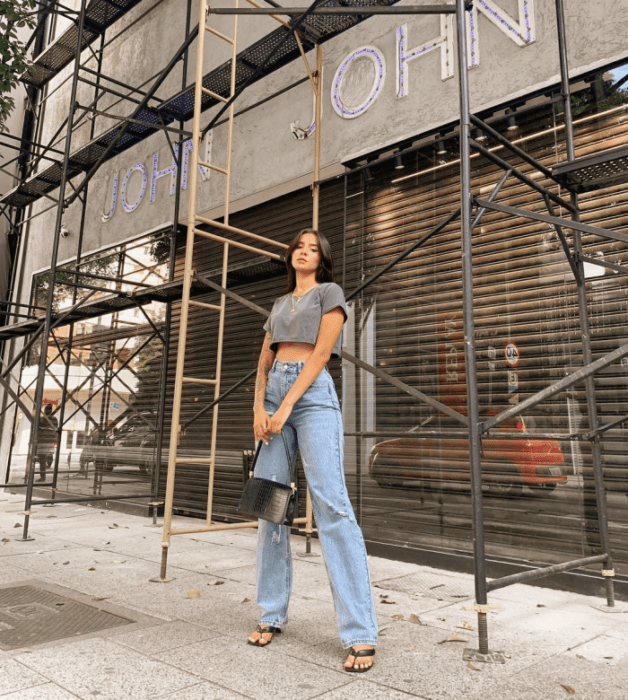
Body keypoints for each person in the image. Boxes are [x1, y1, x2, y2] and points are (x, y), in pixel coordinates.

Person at [248, 228, 378, 673]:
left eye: (312, 248)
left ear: (321, 259)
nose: (303, 251)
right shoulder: (280, 305)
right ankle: (270, 613)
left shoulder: (330, 293)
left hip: (314, 397)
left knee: (332, 505)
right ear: (291, 256)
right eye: (298, 246)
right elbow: (264, 359)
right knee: (270, 507)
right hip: (274, 397)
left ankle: (359, 631)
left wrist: (285, 407)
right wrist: (258, 407)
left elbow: (321, 354)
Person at [37, 403, 58, 482]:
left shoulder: (42, 419)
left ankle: (43, 476)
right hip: (50, 441)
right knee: (48, 455)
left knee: (42, 460)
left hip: (42, 442)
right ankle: (45, 472)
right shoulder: (54, 419)